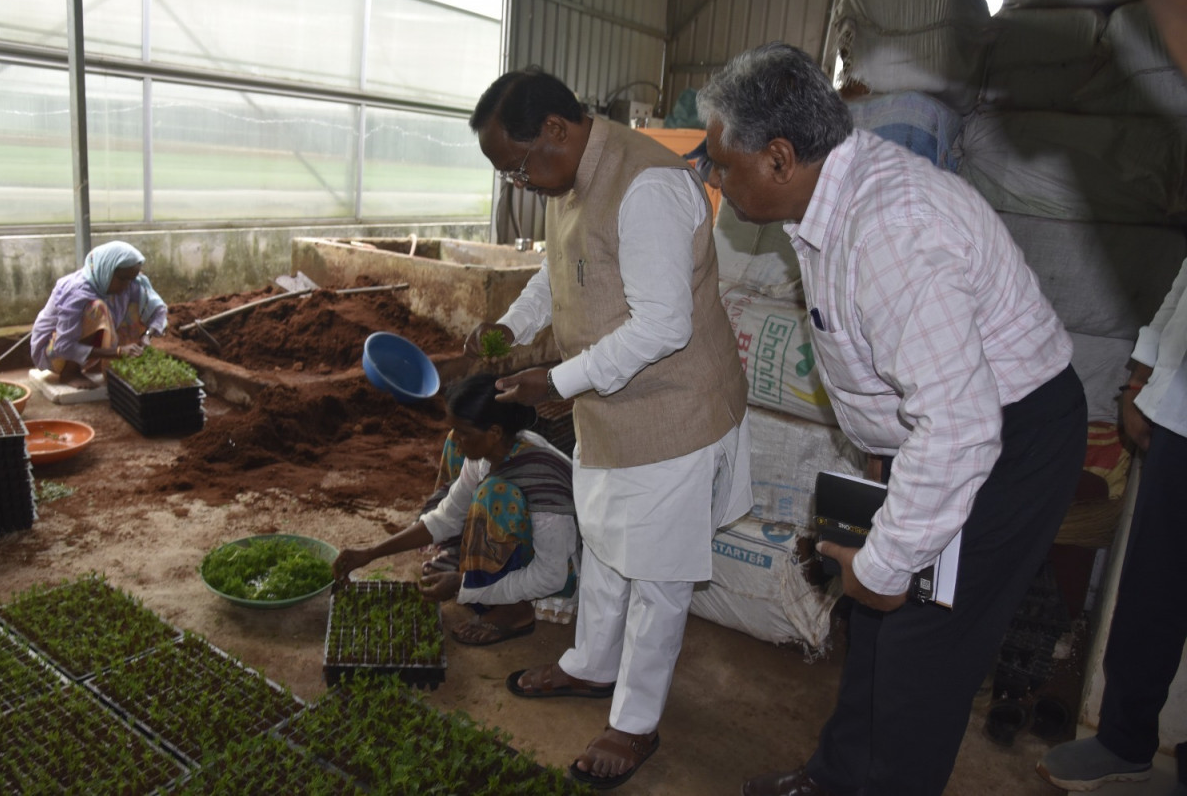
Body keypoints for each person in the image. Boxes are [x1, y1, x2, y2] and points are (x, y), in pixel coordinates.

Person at [696, 43, 1088, 796]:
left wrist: (885, 563)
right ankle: (837, 778)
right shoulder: (828, 195)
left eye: (722, 161)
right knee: (872, 622)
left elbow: (962, 425)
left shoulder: (887, 230)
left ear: (779, 157)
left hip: (1006, 439)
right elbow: (902, 371)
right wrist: (882, 463)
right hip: (943, 429)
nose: (716, 176)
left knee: (919, 644)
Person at [465, 66, 751, 789]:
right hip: (611, 409)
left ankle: (636, 721)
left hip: (673, 413)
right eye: (509, 174)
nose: (522, 182)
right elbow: (559, 272)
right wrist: (511, 326)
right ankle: (591, 665)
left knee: (657, 574)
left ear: (557, 130)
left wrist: (553, 381)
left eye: (521, 164)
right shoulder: (567, 177)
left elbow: (663, 324)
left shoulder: (646, 185)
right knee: (605, 544)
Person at [1036, 0, 1187, 792]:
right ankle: (1128, 736)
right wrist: (1142, 374)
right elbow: (1185, 288)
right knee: (1154, 590)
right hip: (1182, 417)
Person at [331, 373, 578, 646]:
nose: (459, 440)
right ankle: (478, 576)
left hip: (559, 572)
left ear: (494, 433)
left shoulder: (540, 474)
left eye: (465, 434)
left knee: (494, 494)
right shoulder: (489, 454)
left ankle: (515, 610)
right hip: (525, 545)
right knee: (465, 464)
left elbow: (551, 575)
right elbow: (446, 518)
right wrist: (371, 553)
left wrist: (463, 584)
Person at [30, 241, 167, 388]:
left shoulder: (129, 283)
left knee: (141, 303)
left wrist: (147, 335)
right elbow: (63, 346)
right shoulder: (76, 291)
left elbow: (158, 310)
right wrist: (118, 351)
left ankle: (107, 364)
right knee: (96, 309)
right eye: (122, 279)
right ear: (107, 270)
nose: (127, 285)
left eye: (130, 279)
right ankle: (70, 372)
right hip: (54, 351)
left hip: (82, 348)